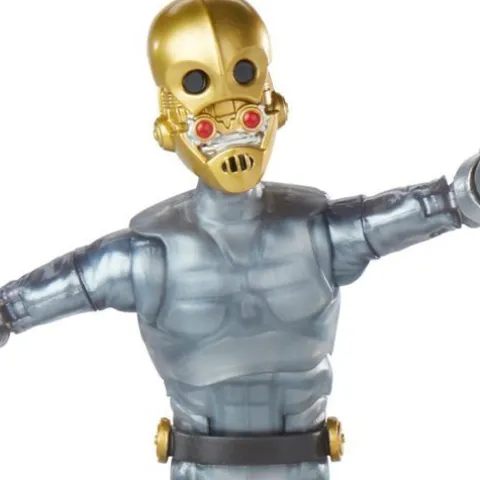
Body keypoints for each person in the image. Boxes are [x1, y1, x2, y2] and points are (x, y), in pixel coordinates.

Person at [1, 1, 480, 479]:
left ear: (274, 103)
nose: (231, 121)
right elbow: (26, 302)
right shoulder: (148, 257)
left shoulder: (315, 232)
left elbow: (432, 207)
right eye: (199, 87)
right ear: (168, 123)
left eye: (244, 77)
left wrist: (464, 195)